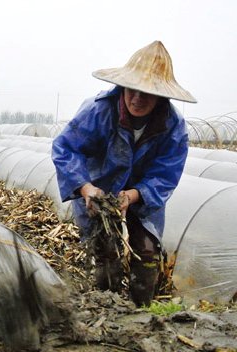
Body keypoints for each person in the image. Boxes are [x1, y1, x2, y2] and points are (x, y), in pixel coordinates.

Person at [51, 41, 196, 306]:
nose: (137, 99)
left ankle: (142, 311)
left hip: (141, 198)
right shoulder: (99, 111)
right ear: (124, 87)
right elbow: (66, 149)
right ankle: (109, 306)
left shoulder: (173, 127)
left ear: (161, 97)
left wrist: (133, 195)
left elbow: (165, 175)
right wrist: (86, 189)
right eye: (133, 90)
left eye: (147, 93)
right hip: (98, 193)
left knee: (148, 253)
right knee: (107, 252)